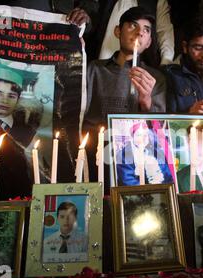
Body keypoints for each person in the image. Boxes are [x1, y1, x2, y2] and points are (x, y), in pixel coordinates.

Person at [84, 6, 166, 193]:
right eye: (132, 26)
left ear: (149, 41)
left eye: (146, 30)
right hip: (95, 153)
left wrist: (146, 99)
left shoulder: (155, 78)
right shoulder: (94, 69)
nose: (139, 32)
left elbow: (159, 127)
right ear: (117, 31)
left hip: (135, 159)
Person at [87, 0, 175, 66]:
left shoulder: (157, 2)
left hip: (141, 62)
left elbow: (164, 32)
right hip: (101, 56)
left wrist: (165, 63)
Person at [116, 121, 174, 186]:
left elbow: (166, 171)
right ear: (133, 137)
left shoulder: (154, 149)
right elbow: (128, 181)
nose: (143, 138)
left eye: (146, 135)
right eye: (139, 135)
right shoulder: (123, 155)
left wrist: (170, 186)